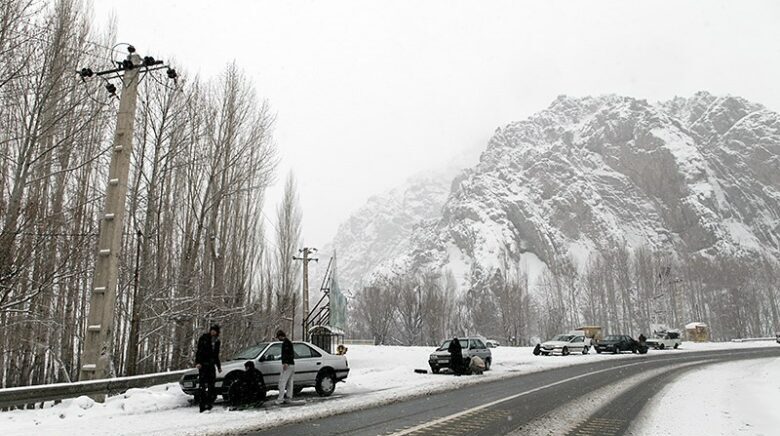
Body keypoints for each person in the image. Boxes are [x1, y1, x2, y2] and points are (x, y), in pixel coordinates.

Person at [195, 324, 222, 412]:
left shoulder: (217, 341)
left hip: (211, 364)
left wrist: (218, 366)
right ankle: (202, 405)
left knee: (211, 385)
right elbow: (199, 351)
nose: (213, 332)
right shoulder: (204, 338)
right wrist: (198, 362)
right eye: (212, 330)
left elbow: (216, 355)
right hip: (203, 364)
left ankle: (209, 403)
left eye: (215, 331)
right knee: (202, 385)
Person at [275, 329, 295, 405]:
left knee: (282, 382)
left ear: (281, 336)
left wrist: (286, 362)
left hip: (288, 364)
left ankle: (280, 399)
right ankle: (289, 397)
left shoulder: (286, 343)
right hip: (292, 364)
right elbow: (291, 354)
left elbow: (287, 354)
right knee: (290, 382)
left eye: (278, 337)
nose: (278, 339)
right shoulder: (288, 342)